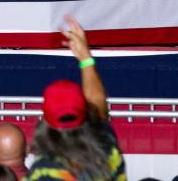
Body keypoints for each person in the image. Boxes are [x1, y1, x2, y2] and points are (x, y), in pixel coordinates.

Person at [26, 16, 125, 180]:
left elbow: (99, 111)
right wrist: (85, 58)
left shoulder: (43, 171)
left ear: (45, 123)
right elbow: (99, 110)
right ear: (86, 115)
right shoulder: (108, 151)